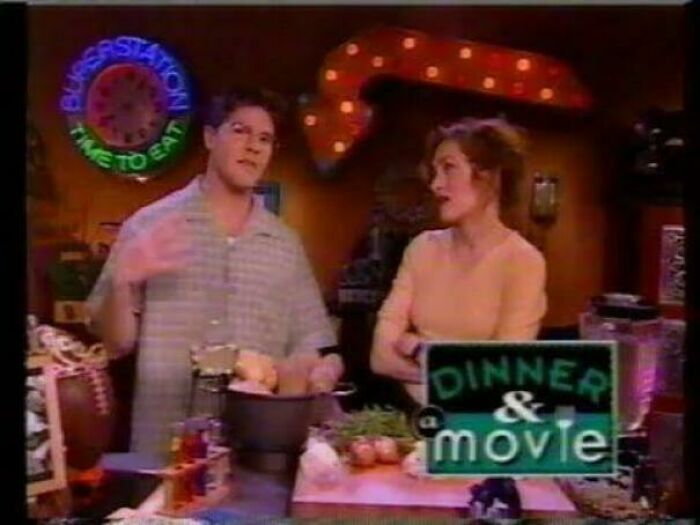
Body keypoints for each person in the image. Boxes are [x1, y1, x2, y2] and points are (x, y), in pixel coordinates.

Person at [86, 88, 340, 453]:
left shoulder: (284, 245)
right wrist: (122, 282)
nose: (253, 147)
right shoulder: (150, 226)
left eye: (265, 139)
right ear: (209, 137)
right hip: (165, 449)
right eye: (240, 131)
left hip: (253, 449)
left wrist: (321, 370)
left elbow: (308, 344)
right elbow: (115, 343)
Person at [370, 117, 547, 408]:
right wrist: (454, 371)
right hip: (416, 420)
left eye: (449, 168)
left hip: (481, 425)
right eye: (435, 172)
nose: (435, 184)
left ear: (490, 176)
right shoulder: (422, 248)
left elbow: (502, 374)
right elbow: (380, 358)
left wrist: (419, 349)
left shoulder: (522, 261)